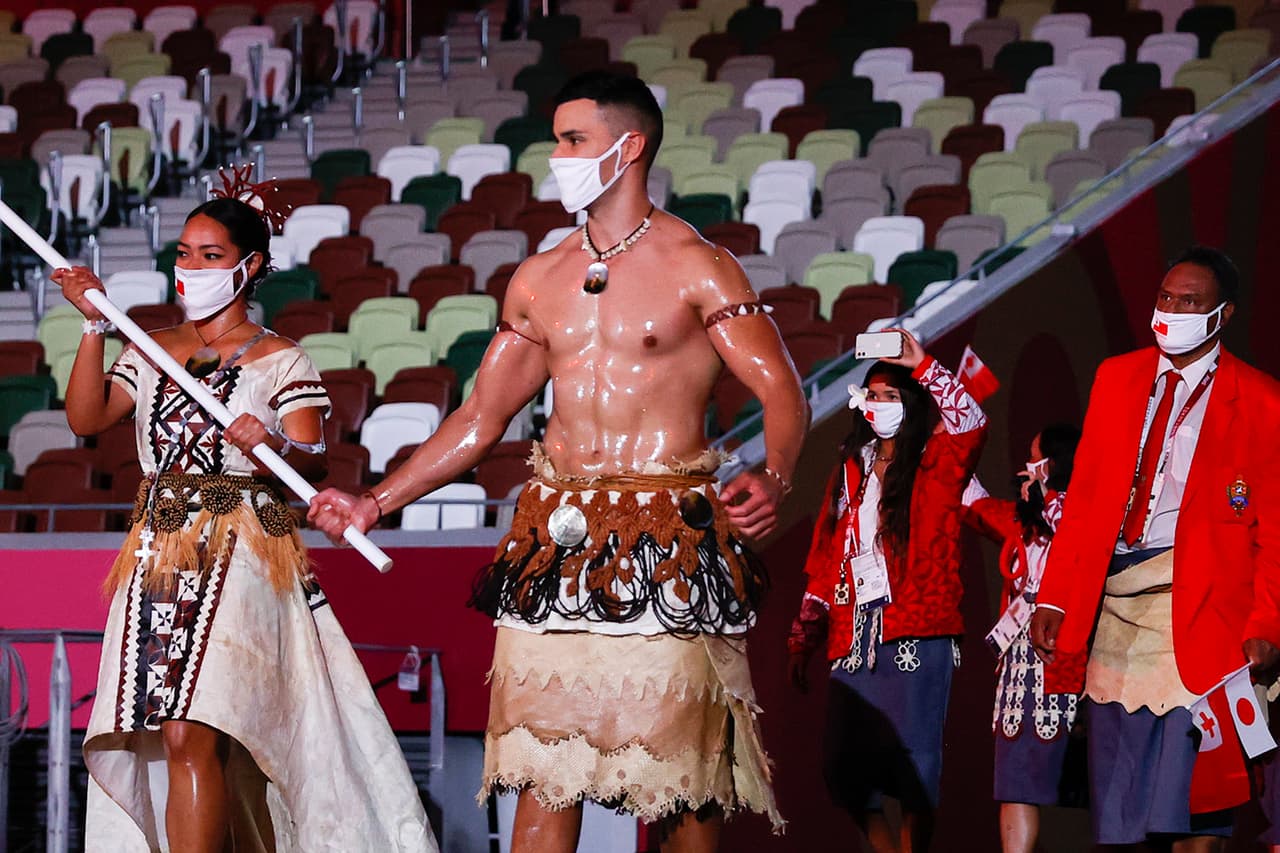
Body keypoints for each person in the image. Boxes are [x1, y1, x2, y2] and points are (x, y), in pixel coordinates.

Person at [308, 70, 806, 852]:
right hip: (556, 543)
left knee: (677, 780)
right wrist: (377, 499)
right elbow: (480, 416)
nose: (557, 155)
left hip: (667, 540)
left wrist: (773, 473)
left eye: (574, 139)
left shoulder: (698, 265)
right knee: (543, 767)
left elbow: (781, 386)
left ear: (629, 146)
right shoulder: (540, 278)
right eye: (558, 139)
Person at [57, 193, 436, 852]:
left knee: (191, 726)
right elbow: (87, 419)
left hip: (241, 544)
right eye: (183, 254)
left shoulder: (280, 357)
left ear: (250, 264)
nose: (192, 267)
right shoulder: (150, 347)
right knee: (167, 724)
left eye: (211, 255)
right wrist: (94, 326)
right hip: (157, 549)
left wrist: (273, 441)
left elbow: (313, 447)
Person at [1029, 246, 1280, 850]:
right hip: (1116, 612)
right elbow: (1086, 499)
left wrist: (1267, 620)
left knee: (1196, 806)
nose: (1171, 311)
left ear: (1222, 314)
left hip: (1206, 614)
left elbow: (1272, 527)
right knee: (1122, 809)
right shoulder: (1117, 377)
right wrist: (1057, 598)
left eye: (1189, 302)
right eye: (1165, 298)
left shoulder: (1263, 401)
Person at [787, 333, 988, 853]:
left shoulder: (939, 462)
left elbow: (971, 421)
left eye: (891, 395)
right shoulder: (849, 469)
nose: (878, 405)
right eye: (871, 394)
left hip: (917, 631)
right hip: (852, 634)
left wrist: (922, 363)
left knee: (914, 765)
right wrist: (804, 633)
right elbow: (827, 555)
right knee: (842, 768)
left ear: (914, 402)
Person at [962, 424, 1083, 853]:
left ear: (1049, 464)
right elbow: (970, 500)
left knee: (1109, 786)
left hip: (1081, 663)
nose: (1024, 467)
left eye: (1033, 457)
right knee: (1015, 783)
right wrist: (949, 435)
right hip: (1022, 665)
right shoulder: (1022, 517)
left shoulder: (1094, 515)